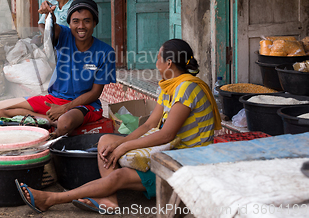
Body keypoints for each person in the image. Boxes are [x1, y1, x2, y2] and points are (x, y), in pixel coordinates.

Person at [15, 39, 222, 214]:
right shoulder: (169, 86)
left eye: (158, 57)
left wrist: (125, 147)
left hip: (185, 161)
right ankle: (109, 199)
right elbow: (150, 123)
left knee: (118, 175)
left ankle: (50, 199)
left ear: (168, 63)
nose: (155, 62)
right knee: (106, 140)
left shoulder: (187, 88)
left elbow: (166, 134)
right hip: (171, 151)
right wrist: (121, 142)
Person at [0, 0, 116, 137]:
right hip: (54, 99)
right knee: (0, 109)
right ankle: (50, 122)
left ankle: (54, 128)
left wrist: (64, 108)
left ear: (95, 23)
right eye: (75, 21)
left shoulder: (106, 52)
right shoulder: (64, 34)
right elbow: (53, 28)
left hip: (84, 105)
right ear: (69, 23)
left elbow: (95, 93)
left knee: (65, 122)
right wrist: (49, 15)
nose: (81, 26)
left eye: (87, 21)